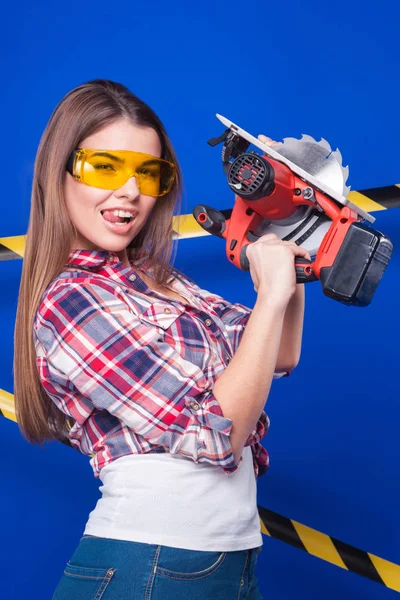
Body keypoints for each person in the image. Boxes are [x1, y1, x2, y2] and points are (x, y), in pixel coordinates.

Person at [13, 79, 310, 600]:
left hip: (228, 562)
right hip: (149, 565)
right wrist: (271, 295)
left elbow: (278, 353)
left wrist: (288, 238)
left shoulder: (158, 278)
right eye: (106, 166)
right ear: (58, 172)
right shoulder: (71, 301)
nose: (130, 191)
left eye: (148, 173)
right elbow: (219, 434)